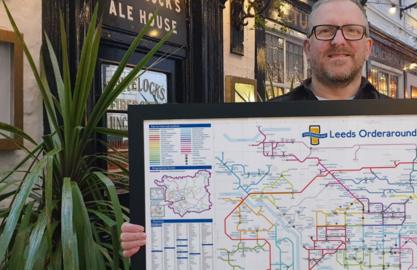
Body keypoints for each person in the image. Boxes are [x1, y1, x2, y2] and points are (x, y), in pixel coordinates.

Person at [120, 0, 386, 258]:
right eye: (325, 30)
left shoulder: (406, 122)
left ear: (368, 46)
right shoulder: (260, 127)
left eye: (352, 30)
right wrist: (152, 233)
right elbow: (223, 204)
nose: (338, 41)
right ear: (307, 47)